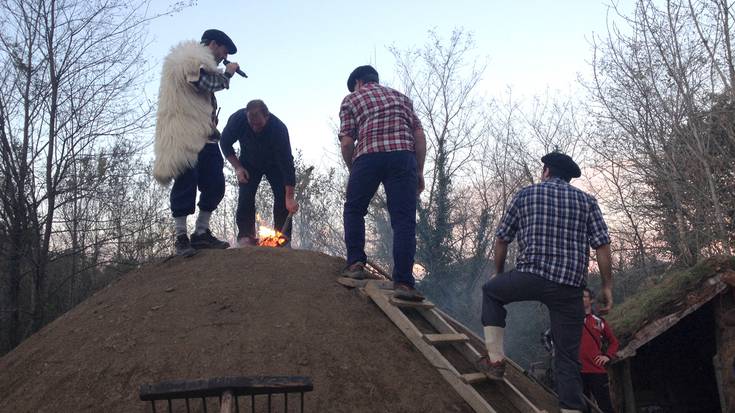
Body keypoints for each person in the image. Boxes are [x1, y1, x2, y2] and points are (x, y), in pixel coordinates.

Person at [477, 152, 613, 413]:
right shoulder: (587, 202)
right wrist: (607, 286)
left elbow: (502, 238)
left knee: (491, 292)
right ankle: (571, 409)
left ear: (546, 171)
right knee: (567, 358)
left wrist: (498, 272)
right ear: (569, 179)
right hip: (569, 288)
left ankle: (495, 362)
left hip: (530, 277)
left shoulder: (526, 195)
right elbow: (602, 246)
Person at [338, 65, 427, 302]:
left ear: (358, 82)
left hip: (368, 156)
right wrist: (419, 170)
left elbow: (347, 143)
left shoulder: (352, 99)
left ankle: (355, 263)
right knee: (404, 220)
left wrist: (353, 167)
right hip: (403, 156)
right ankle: (405, 283)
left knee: (354, 209)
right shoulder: (401, 98)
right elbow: (419, 135)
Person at [152, 29, 242, 256]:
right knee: (186, 180)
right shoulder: (188, 57)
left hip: (206, 135)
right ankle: (181, 236)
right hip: (184, 133)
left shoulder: (201, 63)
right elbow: (202, 82)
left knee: (215, 181)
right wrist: (227, 74)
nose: (224, 57)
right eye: (223, 51)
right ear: (213, 44)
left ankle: (201, 232)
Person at [220, 100, 299, 246]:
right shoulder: (238, 120)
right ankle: (246, 236)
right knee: (245, 196)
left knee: (282, 197)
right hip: (249, 164)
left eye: (259, 124)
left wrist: (290, 198)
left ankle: (283, 239)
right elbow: (224, 143)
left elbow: (287, 166)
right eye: (252, 124)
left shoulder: (279, 129)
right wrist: (238, 167)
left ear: (267, 116)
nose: (255, 128)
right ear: (246, 116)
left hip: (275, 165)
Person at [580, 287, 619, 413]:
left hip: (597, 371)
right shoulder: (571, 321)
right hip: (577, 372)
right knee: (582, 409)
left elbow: (614, 342)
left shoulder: (599, 322)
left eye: (584, 296)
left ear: (591, 300)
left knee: (605, 407)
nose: (581, 299)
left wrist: (607, 356)